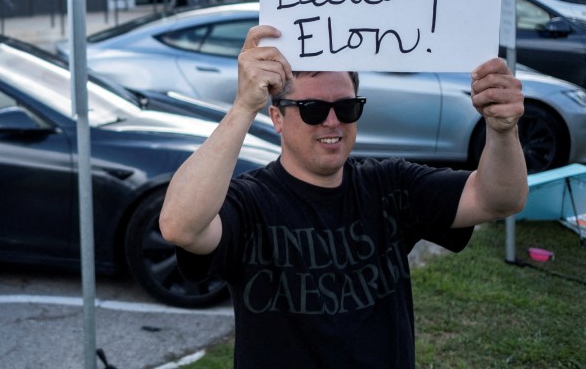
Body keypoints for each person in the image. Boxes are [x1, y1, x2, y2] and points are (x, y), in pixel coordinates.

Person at [159, 25, 528, 369]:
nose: (332, 122)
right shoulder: (250, 201)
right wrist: (243, 107)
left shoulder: (389, 184)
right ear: (277, 118)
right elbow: (180, 226)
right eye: (313, 109)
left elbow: (498, 199)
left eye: (347, 107)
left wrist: (502, 131)